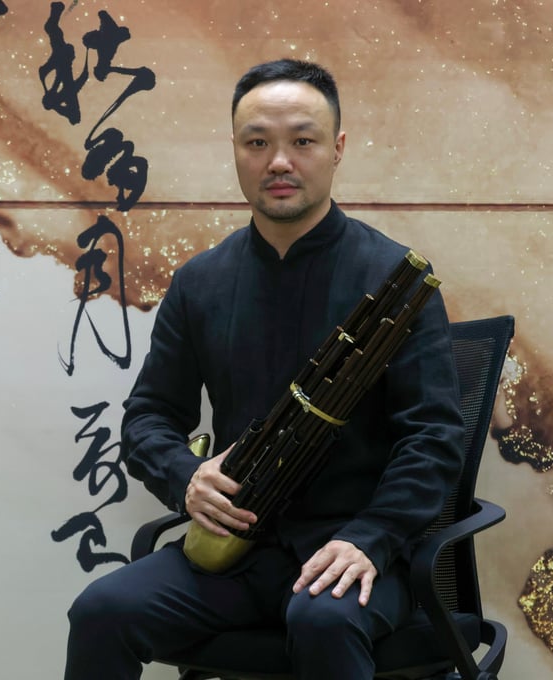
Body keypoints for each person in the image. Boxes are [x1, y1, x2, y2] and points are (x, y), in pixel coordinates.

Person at [64, 58, 465, 680]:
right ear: (236, 152)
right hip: (235, 551)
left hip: (352, 550)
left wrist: (373, 537)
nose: (279, 161)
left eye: (302, 141)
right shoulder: (201, 282)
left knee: (322, 619)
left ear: (336, 150)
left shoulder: (395, 282)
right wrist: (185, 477)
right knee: (101, 610)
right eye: (258, 143)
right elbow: (149, 416)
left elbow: (435, 437)